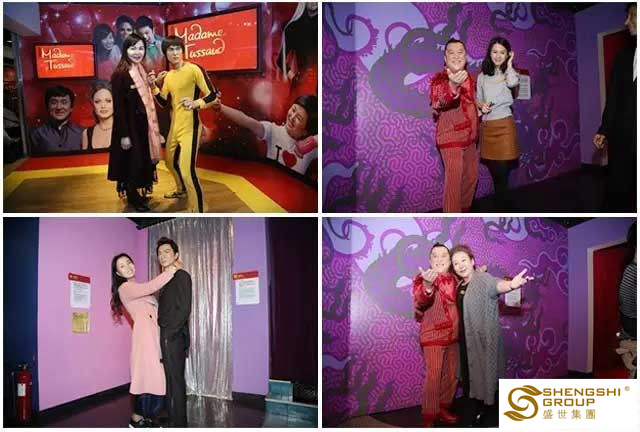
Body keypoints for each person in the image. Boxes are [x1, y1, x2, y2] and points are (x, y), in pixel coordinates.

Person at [450, 245, 532, 426]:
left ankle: (485, 412)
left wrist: (511, 285)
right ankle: (476, 409)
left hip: (483, 339)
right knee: (469, 375)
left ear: (472, 261)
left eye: (463, 260)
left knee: (485, 375)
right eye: (456, 263)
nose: (460, 265)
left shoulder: (483, 279)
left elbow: (496, 285)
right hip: (465, 340)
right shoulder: (460, 285)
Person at [149, 35, 220, 212]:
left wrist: (196, 103)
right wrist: (153, 87)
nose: (175, 53)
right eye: (170, 49)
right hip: (175, 127)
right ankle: (181, 190)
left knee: (187, 171)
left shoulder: (194, 69)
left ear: (182, 50)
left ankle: (199, 209)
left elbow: (212, 94)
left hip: (191, 127)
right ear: (165, 53)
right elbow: (164, 102)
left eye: (177, 49)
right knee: (170, 163)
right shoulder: (169, 76)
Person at [110, 252, 179, 428]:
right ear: (118, 273)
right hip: (145, 339)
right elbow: (151, 286)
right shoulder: (125, 288)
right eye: (122, 266)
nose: (128, 266)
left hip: (154, 336)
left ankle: (143, 418)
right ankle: (137, 419)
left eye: (129, 262)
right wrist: (171, 269)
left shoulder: (138, 288)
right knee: (150, 379)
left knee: (151, 379)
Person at [108, 34, 164, 212]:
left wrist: (151, 83)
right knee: (132, 163)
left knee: (142, 162)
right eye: (133, 48)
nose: (137, 52)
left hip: (142, 128)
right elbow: (118, 108)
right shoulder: (120, 74)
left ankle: (139, 194)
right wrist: (124, 135)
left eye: (141, 48)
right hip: (130, 128)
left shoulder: (141, 69)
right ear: (125, 50)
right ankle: (133, 197)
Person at [593, 3, 637, 211]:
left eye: (632, 15)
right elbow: (613, 99)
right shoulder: (622, 58)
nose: (627, 22)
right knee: (617, 195)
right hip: (622, 140)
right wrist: (604, 130)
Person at [412, 243, 459, 427]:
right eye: (435, 256)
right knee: (434, 376)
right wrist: (427, 286)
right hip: (433, 336)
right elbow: (420, 301)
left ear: (450, 260)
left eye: (444, 255)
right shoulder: (423, 279)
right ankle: (429, 415)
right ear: (430, 260)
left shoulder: (455, 279)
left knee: (452, 375)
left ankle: (442, 407)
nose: (439, 259)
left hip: (454, 336)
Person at [430, 39, 479, 213]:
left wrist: (480, 107)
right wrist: (452, 86)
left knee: (472, 177)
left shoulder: (470, 78)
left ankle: (464, 212)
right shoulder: (439, 80)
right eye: (451, 52)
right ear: (445, 58)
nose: (456, 56)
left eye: (460, 52)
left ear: (465, 57)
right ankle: (452, 216)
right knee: (454, 183)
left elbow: (470, 101)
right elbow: (439, 99)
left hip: (470, 137)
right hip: (450, 138)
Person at [214, 95, 318, 176]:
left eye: (299, 118)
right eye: (293, 110)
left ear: (306, 131)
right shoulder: (273, 131)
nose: (292, 117)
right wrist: (221, 107)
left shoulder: (312, 150)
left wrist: (313, 141)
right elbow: (247, 121)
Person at [477, 37, 519, 210]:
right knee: (495, 173)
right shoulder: (481, 77)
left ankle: (503, 207)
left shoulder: (509, 73)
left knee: (502, 172)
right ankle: (502, 205)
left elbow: (514, 83)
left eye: (502, 52)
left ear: (508, 54)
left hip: (504, 126)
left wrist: (509, 65)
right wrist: (482, 105)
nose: (498, 55)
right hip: (488, 127)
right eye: (495, 51)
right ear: (489, 53)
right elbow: (478, 99)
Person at [156, 237, 192, 427]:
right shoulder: (166, 279)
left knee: (176, 380)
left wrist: (170, 334)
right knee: (170, 379)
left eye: (167, 252)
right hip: (167, 334)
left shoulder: (182, 275)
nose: (162, 256)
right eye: (160, 253)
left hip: (174, 335)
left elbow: (185, 308)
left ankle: (179, 423)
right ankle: (172, 417)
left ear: (176, 255)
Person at [30, 85, 83, 154]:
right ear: (47, 107)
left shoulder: (81, 132)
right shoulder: (36, 133)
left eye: (64, 102)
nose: (59, 107)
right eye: (54, 102)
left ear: (71, 108)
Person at [82, 81, 113, 150]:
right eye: (97, 102)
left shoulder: (124, 131)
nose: (103, 106)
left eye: (108, 101)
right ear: (92, 104)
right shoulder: (87, 133)